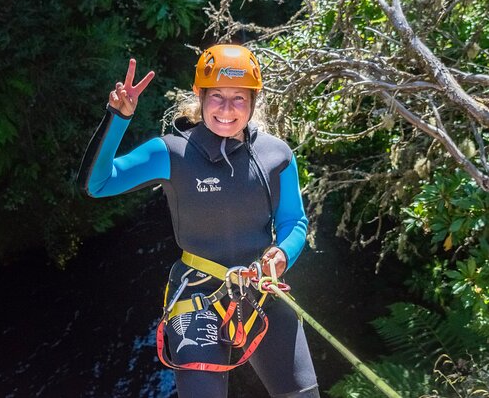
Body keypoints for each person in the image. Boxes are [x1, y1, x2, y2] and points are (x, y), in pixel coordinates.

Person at [78, 44, 319, 398]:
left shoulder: (276, 155)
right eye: (217, 96)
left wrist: (282, 254)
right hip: (197, 295)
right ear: (199, 95)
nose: (226, 108)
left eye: (239, 98)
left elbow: (294, 223)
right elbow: (98, 184)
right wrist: (118, 118)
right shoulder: (172, 152)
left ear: (253, 100)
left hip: (259, 289)